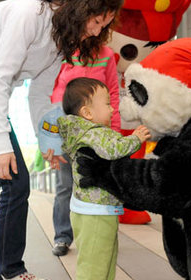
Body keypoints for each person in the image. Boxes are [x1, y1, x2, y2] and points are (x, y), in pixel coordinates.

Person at [0, 0, 123, 279]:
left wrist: (50, 144)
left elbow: (39, 96)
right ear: (80, 8)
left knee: (17, 183)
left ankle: (11, 267)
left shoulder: (61, 41)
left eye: (103, 27)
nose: (95, 32)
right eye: (96, 21)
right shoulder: (30, 14)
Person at [57, 77, 151, 280]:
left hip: (87, 209)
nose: (112, 109)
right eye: (107, 103)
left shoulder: (81, 133)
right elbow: (113, 149)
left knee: (102, 260)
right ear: (87, 113)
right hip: (97, 211)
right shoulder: (96, 134)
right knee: (94, 268)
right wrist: (135, 138)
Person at [49, 44, 120, 256]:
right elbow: (49, 91)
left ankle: (99, 235)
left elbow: (113, 93)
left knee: (100, 185)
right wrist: (50, 137)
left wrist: (114, 131)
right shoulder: (62, 52)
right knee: (65, 185)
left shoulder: (106, 54)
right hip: (66, 132)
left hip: (98, 134)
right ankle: (62, 236)